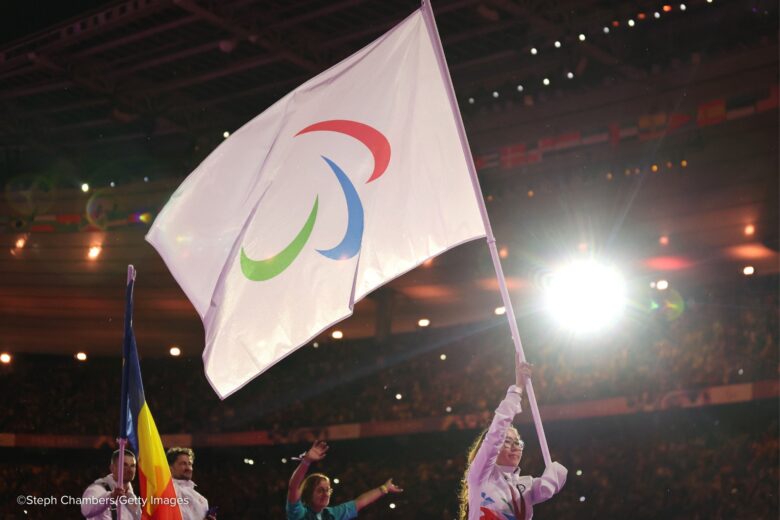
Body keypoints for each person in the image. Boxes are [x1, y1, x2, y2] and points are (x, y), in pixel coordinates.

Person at [459, 363, 567, 520]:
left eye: (518, 442)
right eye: (508, 441)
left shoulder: (526, 486)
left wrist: (555, 474)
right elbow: (495, 436)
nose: (515, 446)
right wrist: (517, 390)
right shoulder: (481, 475)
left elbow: (548, 486)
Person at [287, 440, 403, 519]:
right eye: (320, 490)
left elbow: (360, 502)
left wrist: (384, 488)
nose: (326, 494)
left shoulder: (332, 514)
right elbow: (294, 487)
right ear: (308, 493)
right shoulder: (299, 514)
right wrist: (306, 461)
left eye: (327, 490)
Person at [81, 448, 142, 520]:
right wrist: (111, 497)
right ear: (112, 468)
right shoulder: (98, 488)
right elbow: (86, 510)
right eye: (124, 465)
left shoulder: (132, 497)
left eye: (132, 465)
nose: (129, 469)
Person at [166, 447, 216, 520]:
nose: (188, 468)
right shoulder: (164, 493)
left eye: (190, 464)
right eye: (183, 463)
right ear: (170, 468)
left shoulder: (202, 500)